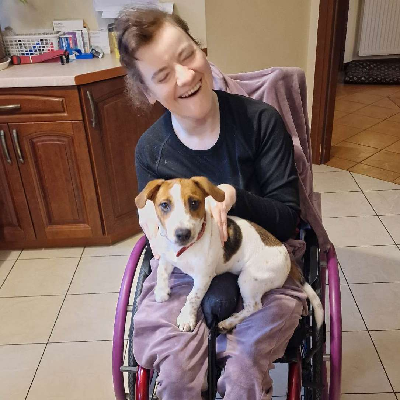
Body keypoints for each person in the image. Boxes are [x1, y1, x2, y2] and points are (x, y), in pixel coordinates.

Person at [116, 8, 307, 400]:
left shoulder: (261, 122)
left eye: (187, 55)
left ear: (202, 50)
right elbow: (155, 231)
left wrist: (235, 197)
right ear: (148, 92)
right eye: (163, 75)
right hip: (186, 264)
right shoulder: (152, 150)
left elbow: (287, 220)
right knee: (177, 372)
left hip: (259, 255)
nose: (186, 76)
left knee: (244, 369)